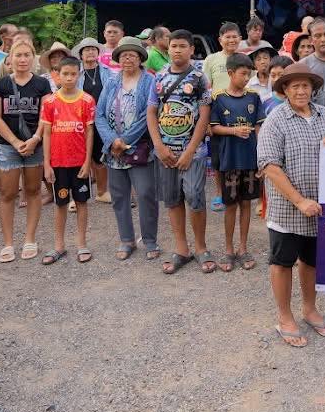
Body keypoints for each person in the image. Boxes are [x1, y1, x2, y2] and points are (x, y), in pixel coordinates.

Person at [258, 62, 325, 348]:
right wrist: (299, 200)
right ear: (284, 89)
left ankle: (309, 309)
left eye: (305, 85)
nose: (300, 90)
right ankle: (284, 316)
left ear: (312, 88)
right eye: (294, 85)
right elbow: (270, 167)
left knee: (311, 261)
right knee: (282, 262)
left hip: (319, 208)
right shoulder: (275, 120)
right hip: (287, 209)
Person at [148, 30, 214, 274]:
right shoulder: (159, 77)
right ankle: (181, 249)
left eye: (182, 46)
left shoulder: (199, 78)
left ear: (191, 50)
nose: (177, 50)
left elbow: (204, 115)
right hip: (165, 153)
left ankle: (200, 247)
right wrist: (159, 146)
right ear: (168, 48)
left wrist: (190, 151)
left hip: (193, 154)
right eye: (173, 45)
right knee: (172, 199)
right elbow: (151, 112)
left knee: (196, 197)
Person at [96, 36, 160, 262]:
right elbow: (100, 114)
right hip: (114, 150)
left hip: (139, 148)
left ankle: (150, 240)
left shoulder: (149, 81)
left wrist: (124, 141)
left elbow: (148, 116)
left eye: (132, 55)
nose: (127, 59)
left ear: (140, 57)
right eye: (123, 55)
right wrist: (112, 140)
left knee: (145, 194)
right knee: (119, 196)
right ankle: (126, 240)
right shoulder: (112, 81)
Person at [0, 38, 51, 263]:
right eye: (18, 55)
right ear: (10, 59)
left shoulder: (42, 84)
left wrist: (35, 139)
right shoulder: (0, 85)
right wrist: (15, 142)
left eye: (27, 55)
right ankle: (7, 243)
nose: (23, 59)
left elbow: (46, 114)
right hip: (8, 147)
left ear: (33, 58)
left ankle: (30, 239)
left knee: (33, 190)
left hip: (35, 144)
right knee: (8, 194)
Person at [39, 57, 96, 265]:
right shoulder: (50, 102)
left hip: (79, 163)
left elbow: (89, 133)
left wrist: (87, 161)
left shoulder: (87, 100)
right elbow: (46, 134)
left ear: (79, 74)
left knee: (81, 203)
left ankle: (82, 244)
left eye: (73, 74)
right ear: (57, 75)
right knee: (60, 203)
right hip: (58, 163)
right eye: (65, 74)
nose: (69, 78)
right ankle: (59, 245)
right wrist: (47, 164)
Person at [211, 53, 263, 272]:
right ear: (230, 73)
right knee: (230, 204)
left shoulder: (254, 97)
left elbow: (259, 128)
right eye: (243, 74)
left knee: (246, 203)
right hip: (229, 160)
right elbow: (213, 127)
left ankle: (243, 248)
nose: (246, 78)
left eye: (249, 74)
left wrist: (262, 156)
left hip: (250, 159)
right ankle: (229, 249)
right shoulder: (219, 98)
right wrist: (234, 130)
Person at [74, 37, 111, 203]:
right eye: (86, 49)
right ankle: (77, 196)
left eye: (93, 49)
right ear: (81, 55)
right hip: (80, 120)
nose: (90, 52)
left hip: (101, 120)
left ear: (98, 53)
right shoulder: (74, 73)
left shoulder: (108, 72)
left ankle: (102, 192)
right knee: (79, 157)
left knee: (100, 156)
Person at [202, 21, 242, 92]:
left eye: (234, 37)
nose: (231, 40)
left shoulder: (246, 59)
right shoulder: (211, 59)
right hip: (217, 102)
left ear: (240, 39)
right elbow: (204, 89)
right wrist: (204, 103)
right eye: (228, 37)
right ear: (220, 40)